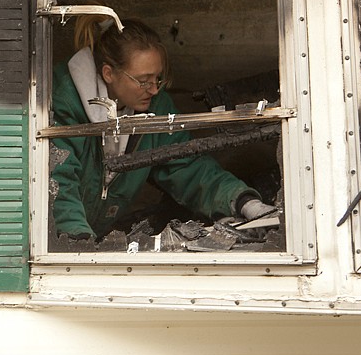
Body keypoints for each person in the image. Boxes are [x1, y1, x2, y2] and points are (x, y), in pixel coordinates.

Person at [50, 16, 275, 241]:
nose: (154, 90)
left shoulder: (156, 108)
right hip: (66, 244)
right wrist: (79, 245)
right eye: (143, 80)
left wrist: (245, 203)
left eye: (158, 79)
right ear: (108, 73)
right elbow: (60, 182)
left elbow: (186, 167)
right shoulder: (64, 103)